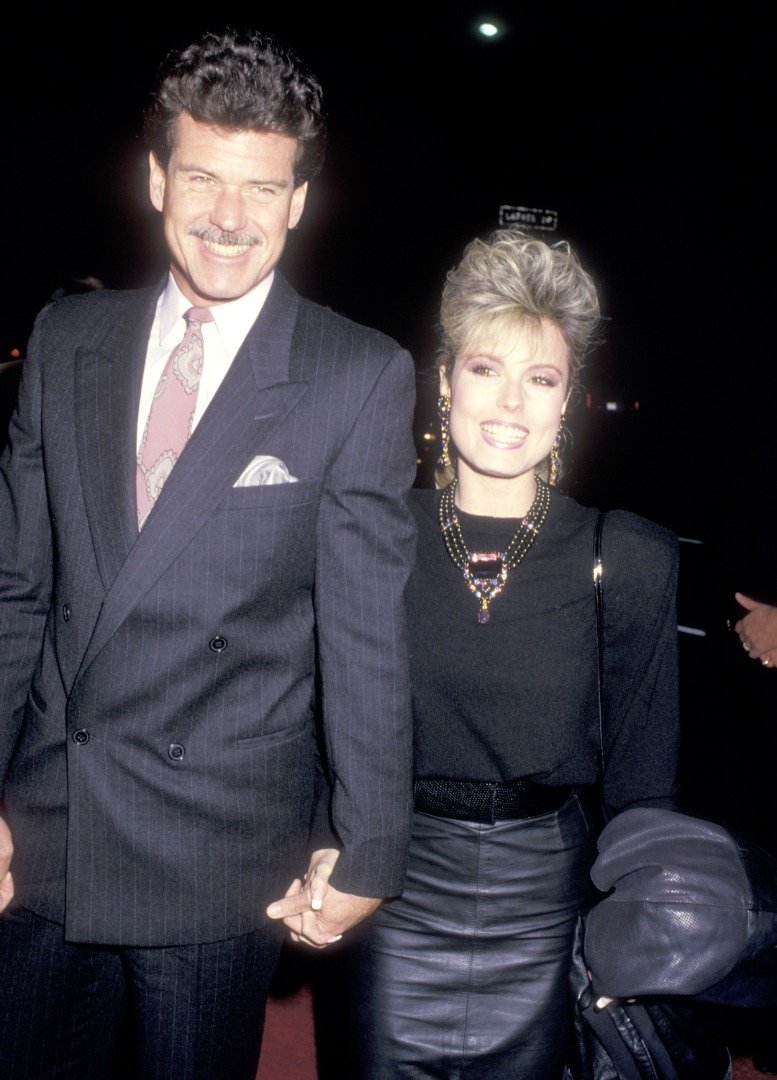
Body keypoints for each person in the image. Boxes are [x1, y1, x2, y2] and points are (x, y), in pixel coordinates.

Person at [0, 28, 417, 1079]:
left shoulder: (355, 375)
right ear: (154, 178)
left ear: (300, 200)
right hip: (49, 825)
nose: (229, 217)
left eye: (260, 187)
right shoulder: (66, 341)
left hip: (220, 853)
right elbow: (13, 590)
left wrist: (369, 845)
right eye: (202, 178)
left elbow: (362, 638)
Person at [270, 227, 683, 1078]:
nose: (510, 405)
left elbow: (645, 775)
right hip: (392, 884)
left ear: (567, 400)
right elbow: (319, 718)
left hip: (547, 899)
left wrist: (651, 928)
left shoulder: (627, 556)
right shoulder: (370, 534)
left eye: (541, 379)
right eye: (485, 369)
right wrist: (324, 843)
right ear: (445, 382)